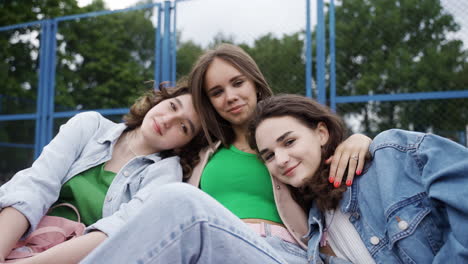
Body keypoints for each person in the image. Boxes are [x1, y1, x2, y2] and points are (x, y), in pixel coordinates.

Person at [80, 44, 373, 264]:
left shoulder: (290, 145)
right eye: (216, 92)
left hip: (278, 252)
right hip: (203, 250)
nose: (230, 97)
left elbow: (337, 157)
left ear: (255, 83)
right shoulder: (197, 156)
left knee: (178, 200)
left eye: (237, 83)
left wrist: (360, 140)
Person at [248, 94, 468, 263]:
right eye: (269, 155)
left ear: (321, 133)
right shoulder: (315, 234)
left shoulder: (391, 154)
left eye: (289, 142)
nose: (281, 159)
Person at [0, 84, 205, 264]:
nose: (168, 120)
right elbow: (35, 187)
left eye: (183, 126)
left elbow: (118, 233)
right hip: (13, 236)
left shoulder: (166, 174)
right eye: (172, 106)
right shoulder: (89, 126)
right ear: (161, 100)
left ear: (184, 146)